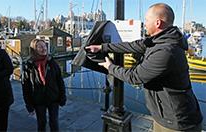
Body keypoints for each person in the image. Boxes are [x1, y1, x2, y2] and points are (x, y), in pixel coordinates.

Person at [86, 3, 203, 132]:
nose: (145, 24)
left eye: (147, 20)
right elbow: (133, 46)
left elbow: (135, 76)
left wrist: (110, 67)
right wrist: (102, 47)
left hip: (178, 122)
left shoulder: (167, 51)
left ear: (157, 23)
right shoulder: (158, 40)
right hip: (164, 116)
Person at [21, 38, 66, 132]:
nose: (44, 49)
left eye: (44, 46)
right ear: (34, 49)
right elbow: (26, 87)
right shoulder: (28, 66)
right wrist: (29, 105)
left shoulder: (52, 62)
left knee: (54, 123)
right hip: (38, 99)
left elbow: (60, 81)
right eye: (40, 47)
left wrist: (62, 97)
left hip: (53, 97)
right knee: (41, 122)